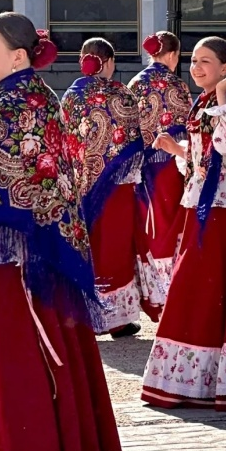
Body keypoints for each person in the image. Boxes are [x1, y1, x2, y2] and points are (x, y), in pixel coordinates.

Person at [0, 12, 131, 451]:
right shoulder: (47, 99)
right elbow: (57, 176)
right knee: (58, 369)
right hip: (50, 262)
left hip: (6, 272)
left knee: (11, 374)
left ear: (18, 55)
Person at [141, 37, 226, 411]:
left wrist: (222, 95)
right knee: (198, 290)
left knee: (200, 288)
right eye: (194, 61)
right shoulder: (203, 104)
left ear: (225, 68)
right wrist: (177, 151)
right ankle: (196, 382)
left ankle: (213, 384)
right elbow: (206, 159)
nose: (197, 68)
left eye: (206, 62)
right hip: (204, 206)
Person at [61, 37, 165, 336]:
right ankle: (118, 318)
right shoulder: (121, 93)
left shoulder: (70, 95)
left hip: (82, 185)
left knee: (89, 246)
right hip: (118, 185)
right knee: (118, 249)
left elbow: (68, 141)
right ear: (107, 62)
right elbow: (134, 141)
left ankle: (87, 315)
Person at [128, 31, 193, 287]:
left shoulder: (135, 83)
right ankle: (173, 275)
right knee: (172, 217)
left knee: (150, 217)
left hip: (144, 164)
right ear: (174, 54)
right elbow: (189, 125)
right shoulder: (178, 85)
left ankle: (151, 277)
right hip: (173, 162)